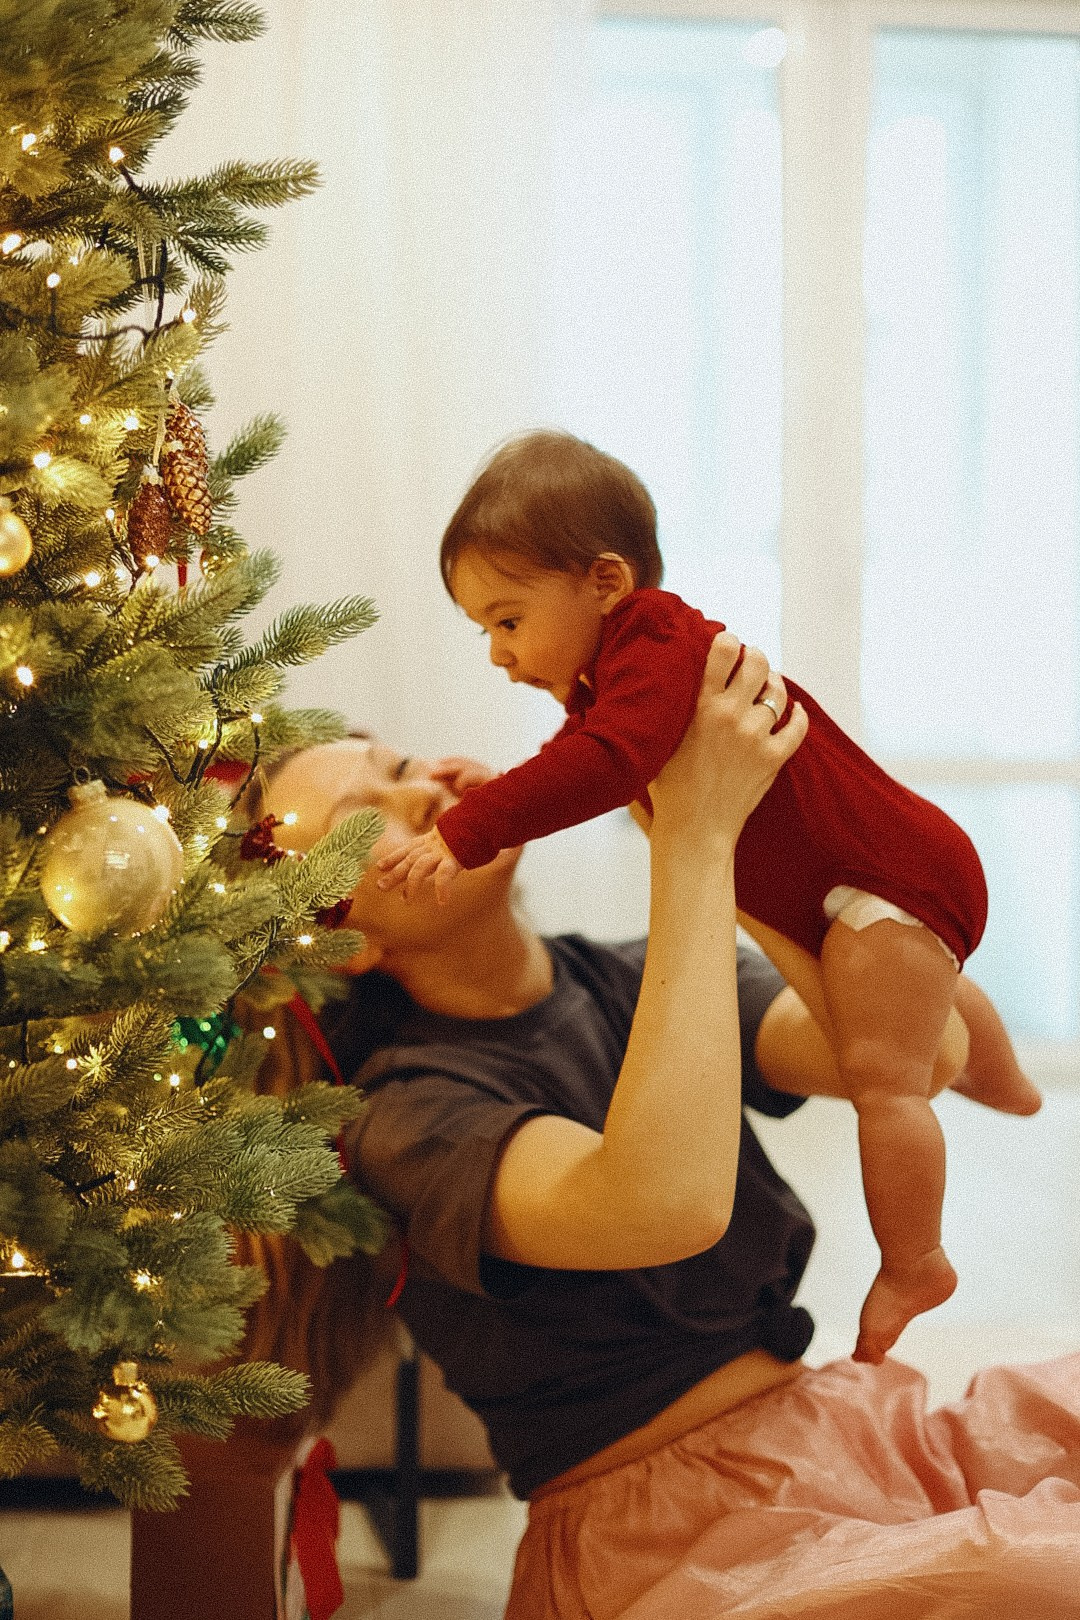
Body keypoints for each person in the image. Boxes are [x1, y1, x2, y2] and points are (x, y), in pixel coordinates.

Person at [254, 633, 1079, 1620]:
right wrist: (695, 841)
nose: (427, 794)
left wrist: (738, 837)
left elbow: (923, 1052)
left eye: (402, 766)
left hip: (840, 1432)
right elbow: (666, 1204)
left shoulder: (633, 973)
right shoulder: (403, 1114)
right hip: (661, 1540)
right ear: (344, 943)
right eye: (366, 822)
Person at [376, 429, 1040, 1365]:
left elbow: (607, 763)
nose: (498, 653)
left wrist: (472, 825)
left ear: (607, 582)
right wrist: (505, 799)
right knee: (919, 1004)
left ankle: (915, 1260)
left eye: (509, 620)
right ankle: (1004, 1081)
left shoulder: (654, 640)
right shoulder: (626, 674)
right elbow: (598, 760)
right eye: (485, 630)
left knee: (888, 1085)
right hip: (883, 882)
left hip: (885, 882)